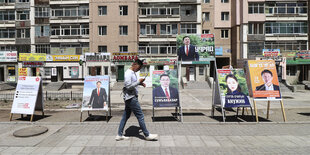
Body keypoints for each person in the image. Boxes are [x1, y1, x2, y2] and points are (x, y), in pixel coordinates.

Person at [116, 59, 158, 141]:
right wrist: (138, 82)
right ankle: (147, 135)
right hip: (131, 98)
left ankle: (119, 135)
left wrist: (140, 83)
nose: (139, 69)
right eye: (139, 67)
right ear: (135, 64)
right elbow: (128, 86)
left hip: (129, 97)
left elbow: (132, 84)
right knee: (140, 116)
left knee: (125, 116)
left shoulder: (132, 73)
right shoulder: (128, 73)